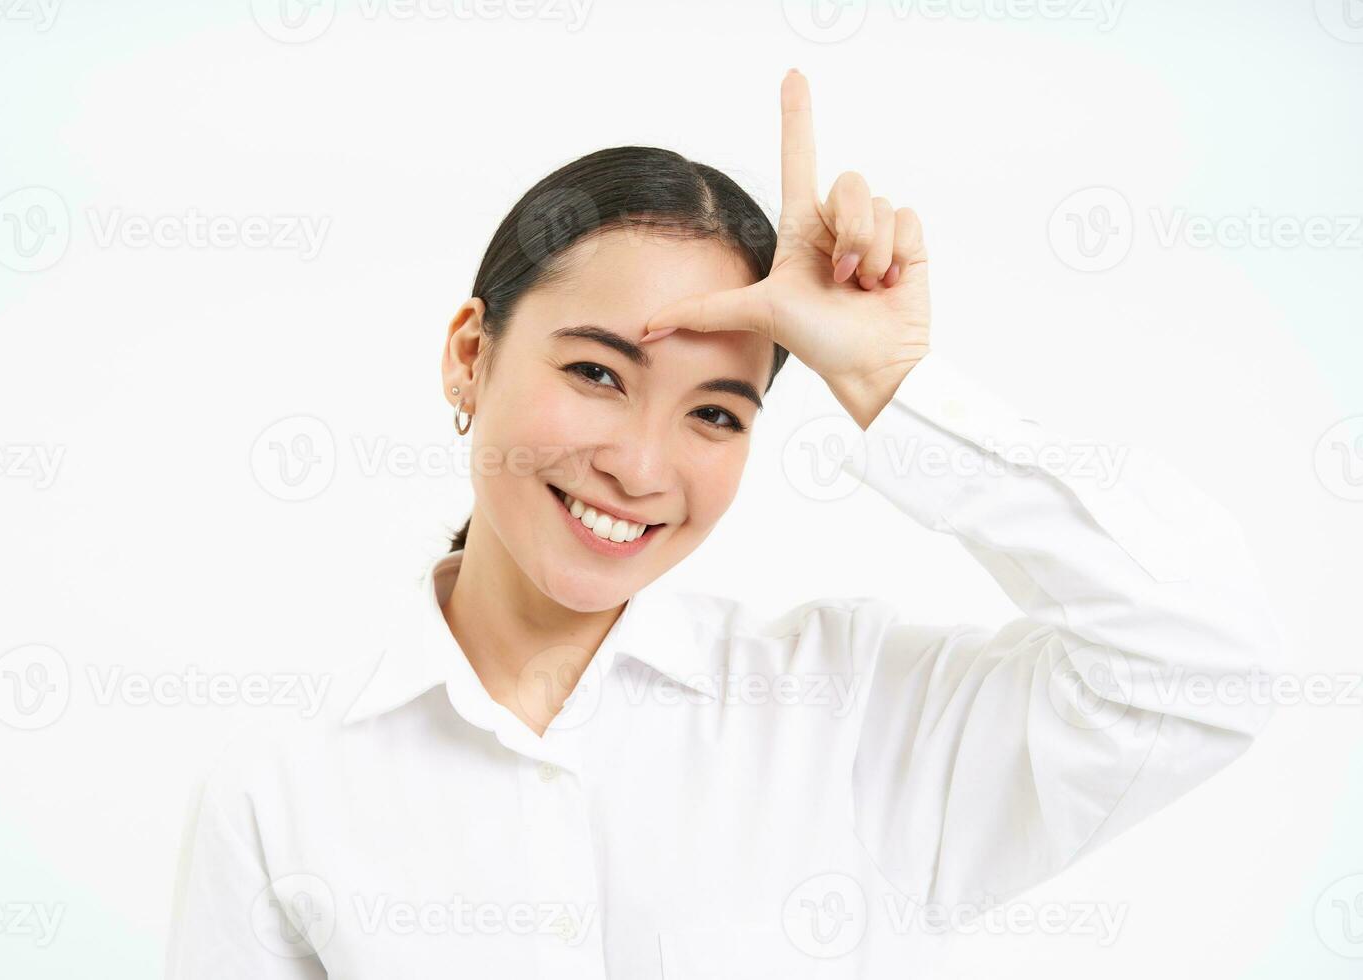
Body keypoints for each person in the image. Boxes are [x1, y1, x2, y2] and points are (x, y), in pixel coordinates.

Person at [167, 70, 1283, 979]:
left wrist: (898, 384)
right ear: (471, 352)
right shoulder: (281, 794)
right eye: (599, 371)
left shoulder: (849, 714)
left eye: (715, 411)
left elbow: (1199, 660)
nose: (643, 465)